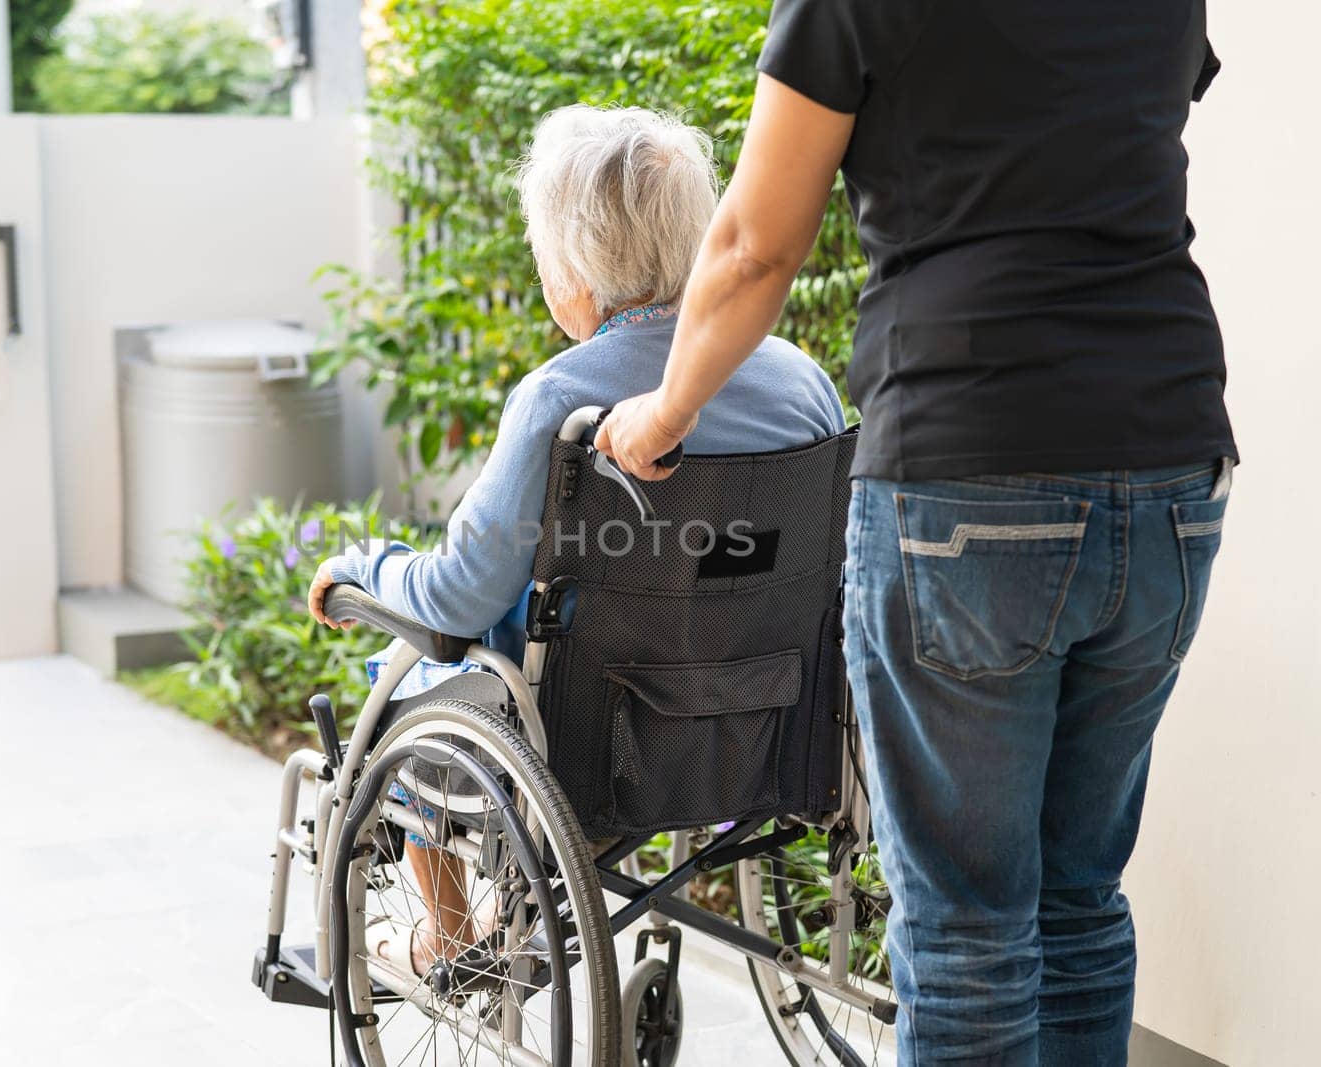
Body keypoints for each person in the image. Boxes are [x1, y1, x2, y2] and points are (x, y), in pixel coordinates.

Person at [594, 3, 1236, 1063]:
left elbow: (757, 242)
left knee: (966, 926)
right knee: (1078, 897)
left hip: (969, 460)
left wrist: (663, 413)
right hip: (1170, 458)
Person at [307, 104, 845, 975]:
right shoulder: (804, 386)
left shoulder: (561, 398)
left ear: (576, 271)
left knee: (406, 670)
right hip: (760, 715)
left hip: (592, 735)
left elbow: (456, 596)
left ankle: (448, 932)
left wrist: (363, 568)